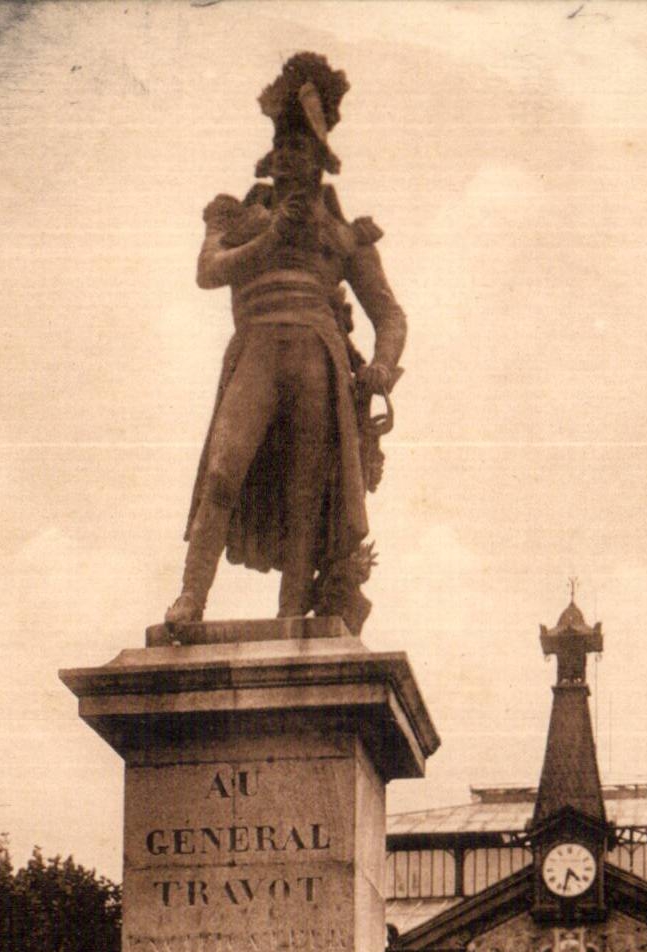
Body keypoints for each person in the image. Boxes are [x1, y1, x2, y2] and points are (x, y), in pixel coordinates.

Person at [165, 53, 406, 635]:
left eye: (302, 148)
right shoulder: (236, 213)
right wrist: (271, 239)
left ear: (320, 160)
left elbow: (390, 314)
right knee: (223, 472)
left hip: (318, 359)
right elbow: (208, 270)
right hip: (256, 350)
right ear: (272, 156)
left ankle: (292, 617)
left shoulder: (344, 233)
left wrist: (381, 365)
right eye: (284, 148)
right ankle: (189, 600)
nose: (291, 158)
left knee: (305, 500)